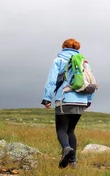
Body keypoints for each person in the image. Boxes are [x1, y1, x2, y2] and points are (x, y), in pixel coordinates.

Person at [41, 38, 95, 168]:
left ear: (63, 47)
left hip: (64, 99)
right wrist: (88, 100)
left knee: (61, 129)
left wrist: (47, 98)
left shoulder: (58, 60)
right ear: (77, 49)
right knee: (71, 130)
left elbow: (52, 81)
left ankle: (66, 148)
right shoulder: (84, 63)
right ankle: (73, 162)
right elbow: (91, 81)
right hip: (81, 101)